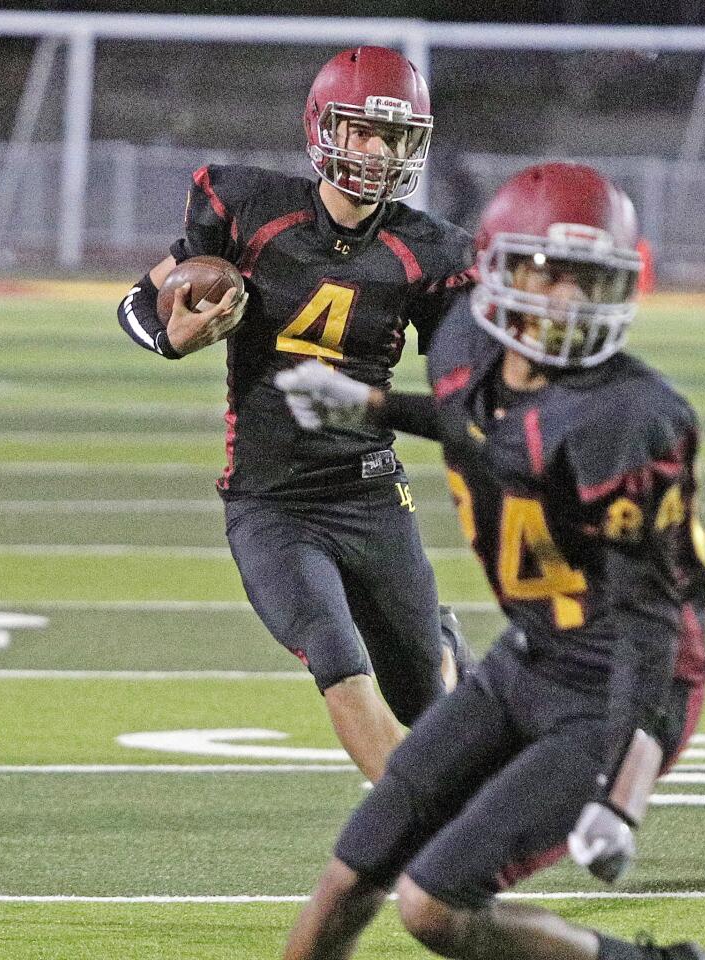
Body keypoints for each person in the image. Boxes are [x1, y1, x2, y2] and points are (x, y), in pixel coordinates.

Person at [276, 162, 705, 960]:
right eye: (547, 273)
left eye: (587, 280)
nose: (566, 302)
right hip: (530, 654)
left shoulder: (629, 418)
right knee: (349, 871)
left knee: (431, 907)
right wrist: (372, 406)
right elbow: (479, 426)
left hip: (615, 680)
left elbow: (654, 630)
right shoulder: (467, 343)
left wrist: (624, 794)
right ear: (498, 270)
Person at [117, 46, 475, 784]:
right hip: (269, 501)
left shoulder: (428, 250)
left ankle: (439, 645)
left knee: (425, 701)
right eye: (363, 131)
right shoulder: (246, 209)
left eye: (396, 135)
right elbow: (134, 302)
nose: (379, 151)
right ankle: (421, 831)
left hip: (370, 492)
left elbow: (459, 393)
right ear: (325, 130)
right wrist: (170, 335)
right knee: (339, 664)